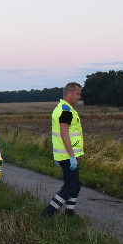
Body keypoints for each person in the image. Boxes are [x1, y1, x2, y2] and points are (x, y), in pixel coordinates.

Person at [43, 82, 84, 217]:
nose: (79, 96)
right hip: (67, 156)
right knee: (70, 186)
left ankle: (69, 211)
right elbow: (64, 133)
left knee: (75, 184)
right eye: (77, 94)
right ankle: (48, 212)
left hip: (64, 155)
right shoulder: (65, 110)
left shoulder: (62, 108)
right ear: (69, 94)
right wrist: (72, 157)